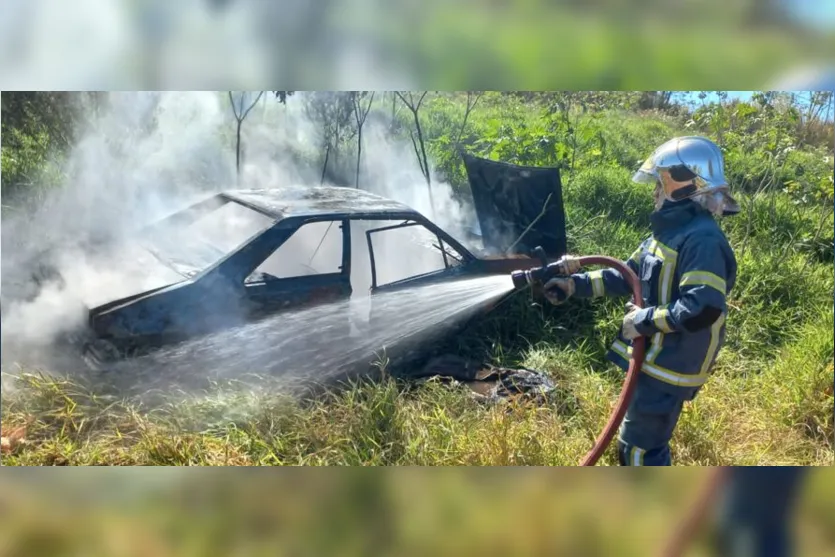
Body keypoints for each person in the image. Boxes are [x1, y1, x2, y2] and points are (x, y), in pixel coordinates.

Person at [543, 136, 740, 466]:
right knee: (637, 441)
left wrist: (643, 321)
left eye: (660, 183)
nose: (655, 192)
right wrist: (573, 285)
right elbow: (626, 275)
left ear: (682, 184)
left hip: (673, 363)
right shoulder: (667, 233)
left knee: (639, 449)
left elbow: (702, 308)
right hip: (656, 356)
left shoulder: (702, 239)